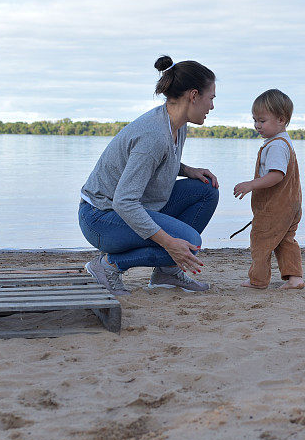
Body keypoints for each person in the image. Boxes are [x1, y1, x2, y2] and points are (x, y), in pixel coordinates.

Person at [78, 56, 220, 295]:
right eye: (211, 98)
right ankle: (108, 265)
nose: (212, 107)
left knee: (205, 190)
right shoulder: (153, 136)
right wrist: (169, 243)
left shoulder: (176, 123)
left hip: (124, 208)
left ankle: (166, 271)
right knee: (188, 245)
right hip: (100, 218)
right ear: (193, 96)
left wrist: (186, 170)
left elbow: (155, 165)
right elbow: (124, 201)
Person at [233, 89, 304, 289]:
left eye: (262, 121)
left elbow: (276, 175)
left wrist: (250, 184)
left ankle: (258, 280)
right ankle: (295, 278)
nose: (257, 125)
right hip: (292, 204)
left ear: (281, 120)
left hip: (275, 207)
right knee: (285, 240)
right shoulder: (284, 142)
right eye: (254, 120)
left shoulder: (276, 146)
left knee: (260, 240)